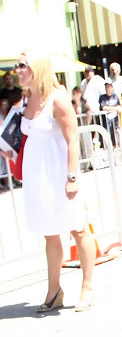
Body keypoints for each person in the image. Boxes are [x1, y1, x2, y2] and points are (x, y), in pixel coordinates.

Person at [15, 51, 96, 312]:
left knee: (78, 228)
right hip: (38, 176)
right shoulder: (26, 98)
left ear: (37, 68)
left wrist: (71, 177)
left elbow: (73, 139)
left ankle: (87, 285)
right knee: (49, 232)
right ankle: (54, 289)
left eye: (22, 65)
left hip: (59, 173)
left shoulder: (57, 99)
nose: (17, 70)